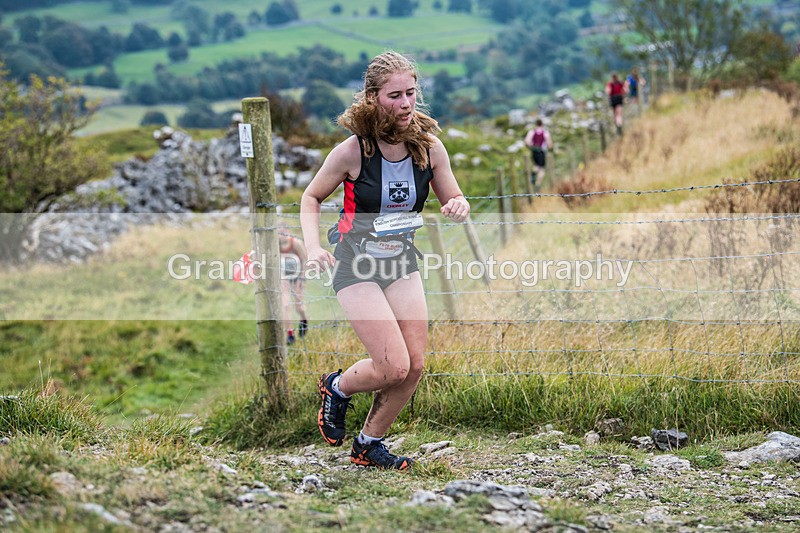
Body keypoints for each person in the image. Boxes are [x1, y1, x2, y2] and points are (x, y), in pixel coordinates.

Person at [300, 51, 470, 470]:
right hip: (355, 265)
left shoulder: (430, 149)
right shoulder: (353, 151)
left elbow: (454, 196)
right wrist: (311, 246)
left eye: (411, 92)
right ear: (373, 98)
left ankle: (368, 444)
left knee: (413, 367)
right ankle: (337, 387)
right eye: (395, 95)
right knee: (391, 365)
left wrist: (458, 206)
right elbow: (311, 197)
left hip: (400, 263)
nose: (406, 103)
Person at [279, 230, 308, 345]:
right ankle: (290, 334)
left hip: (297, 276)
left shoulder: (296, 243)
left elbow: (304, 260)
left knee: (298, 306)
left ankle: (304, 320)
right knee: (285, 305)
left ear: (288, 231)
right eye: (279, 233)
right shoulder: (274, 245)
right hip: (283, 277)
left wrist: (302, 278)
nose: (281, 236)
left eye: (283, 232)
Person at [523, 118, 552, 193]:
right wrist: (549, 148)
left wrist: (531, 147)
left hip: (534, 151)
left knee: (536, 165)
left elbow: (526, 141)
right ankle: (538, 184)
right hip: (541, 151)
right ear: (542, 124)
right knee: (542, 168)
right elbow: (549, 144)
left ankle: (533, 173)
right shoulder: (545, 132)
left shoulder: (532, 132)